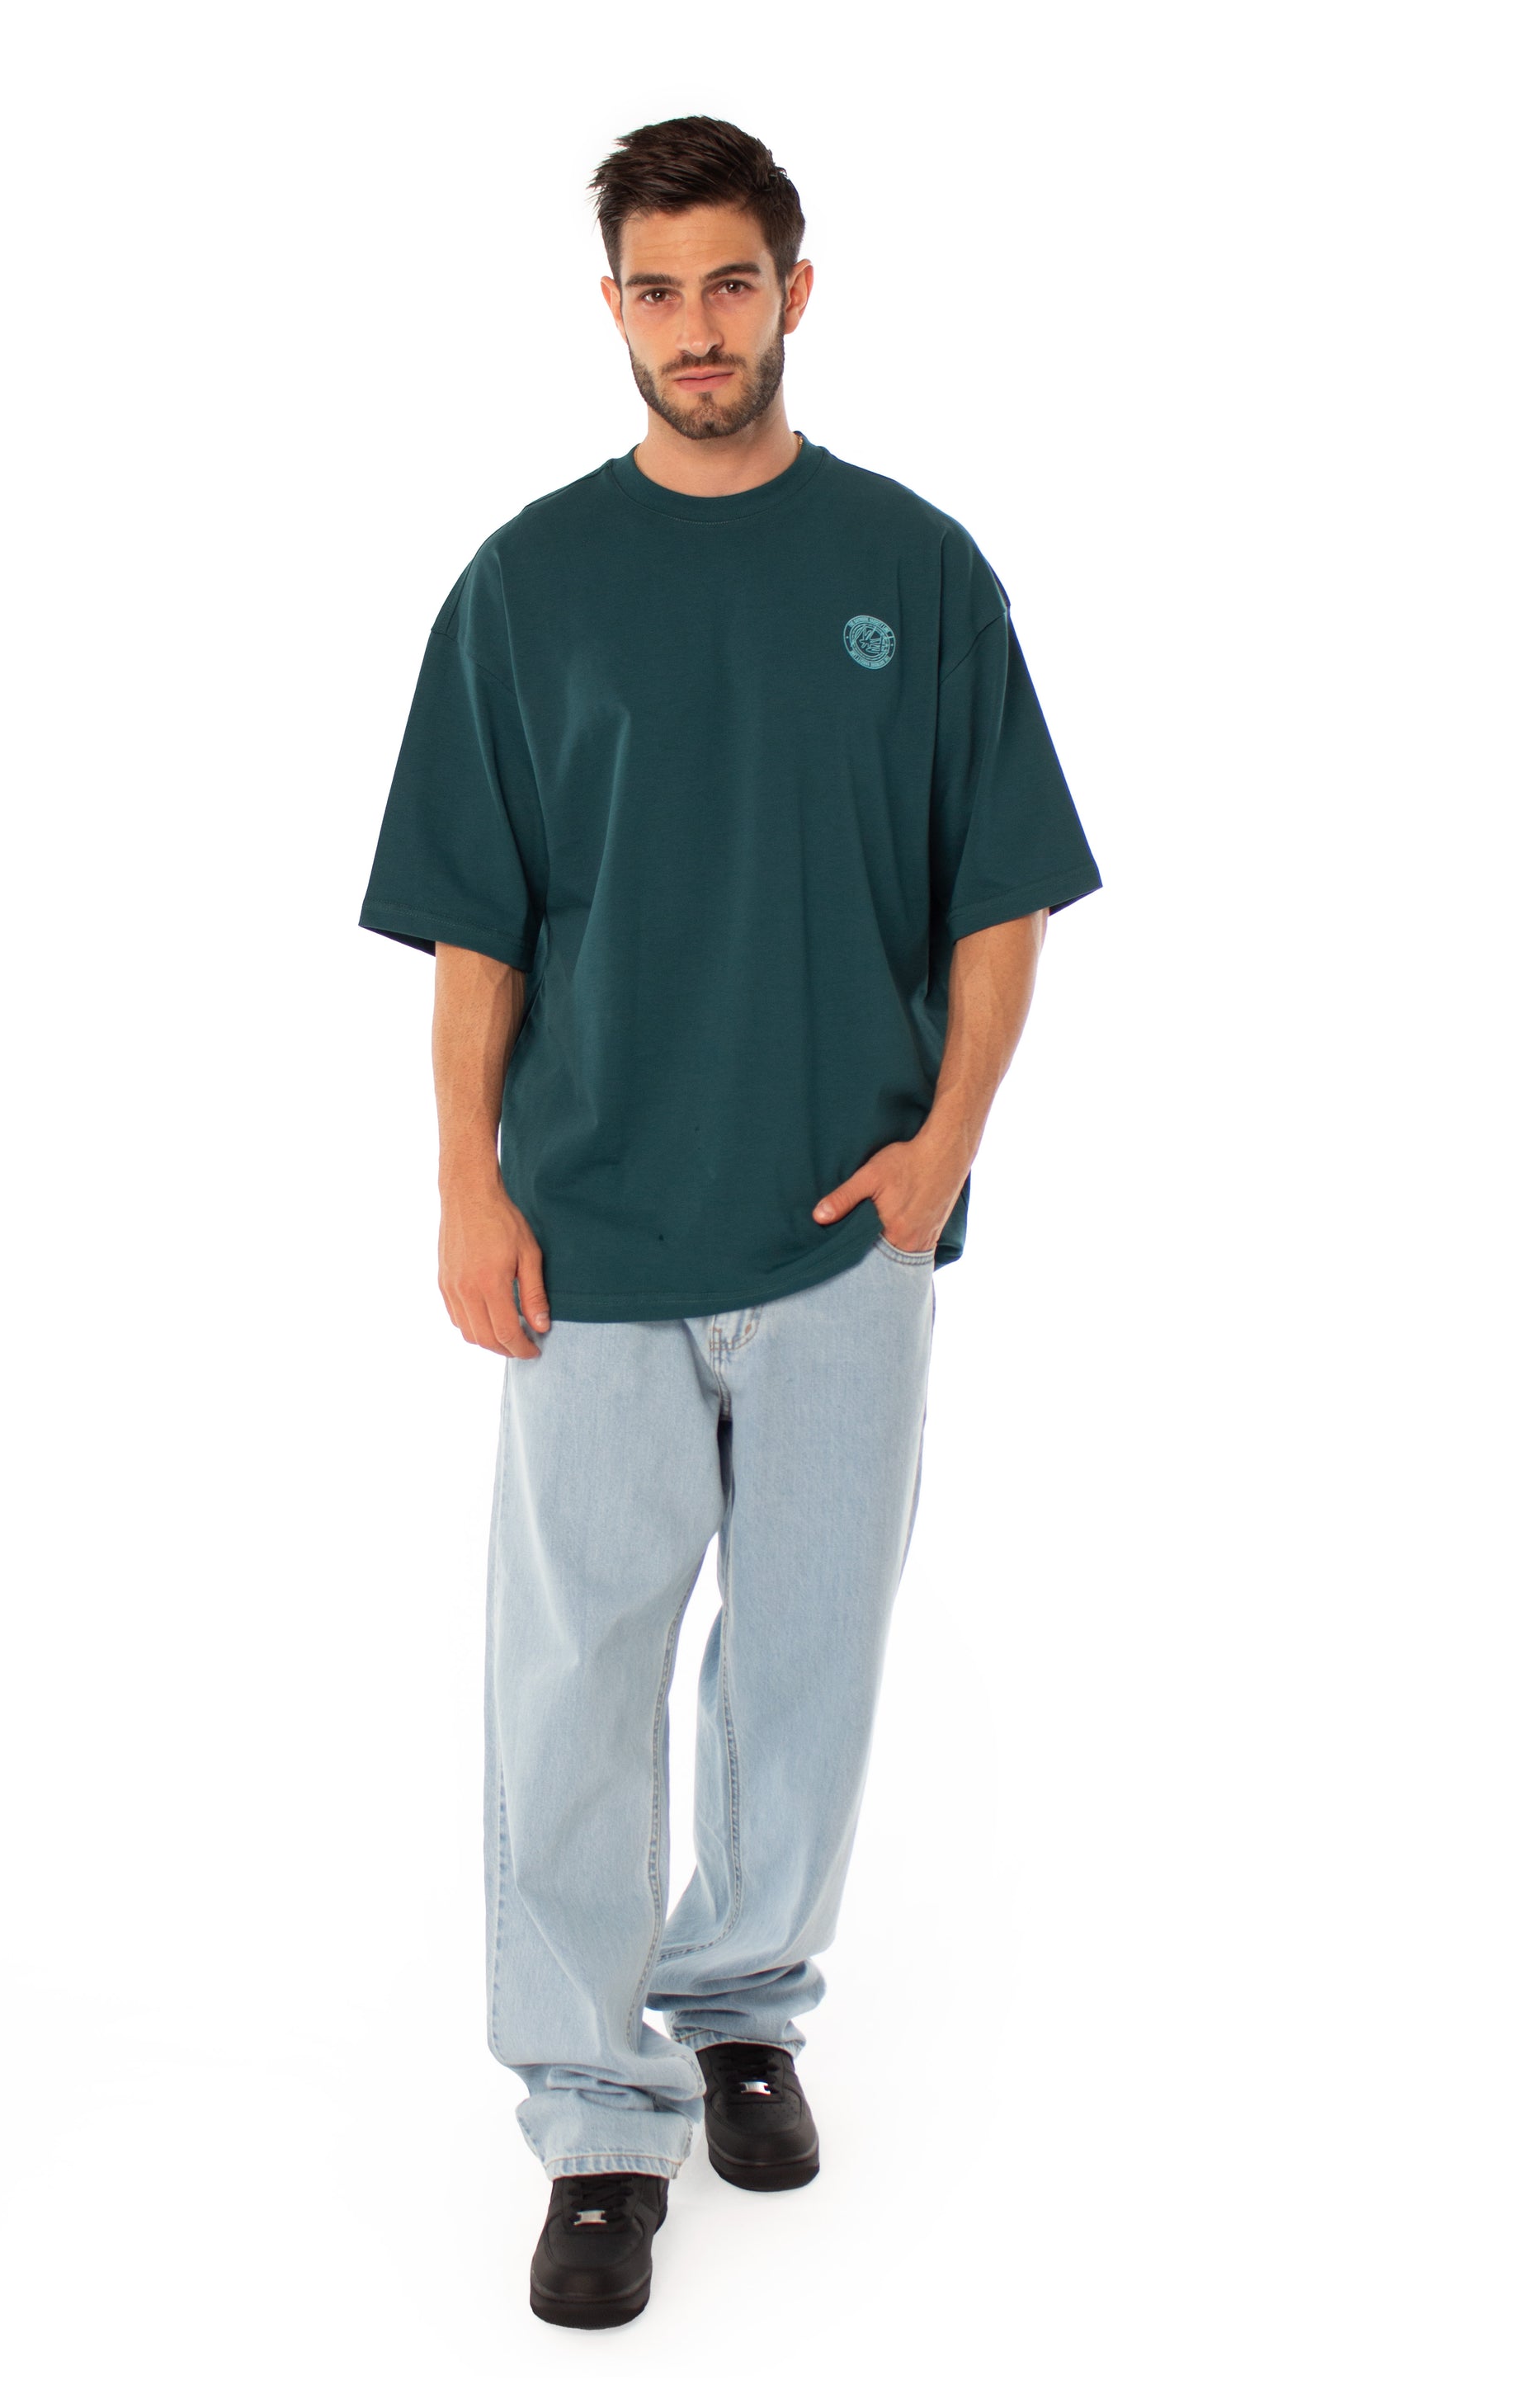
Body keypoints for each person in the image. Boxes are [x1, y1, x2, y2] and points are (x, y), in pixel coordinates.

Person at [359, 113, 1102, 2328]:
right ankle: (596, 2119)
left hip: (844, 1230)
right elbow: (474, 927)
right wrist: (465, 1183)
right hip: (592, 1233)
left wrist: (944, 1144)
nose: (697, 328)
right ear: (613, 308)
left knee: (806, 1665)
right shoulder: (528, 585)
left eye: (731, 284)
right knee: (573, 1682)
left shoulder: (914, 567)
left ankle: (744, 2001)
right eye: (658, 290)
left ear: (795, 291)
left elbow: (998, 886)